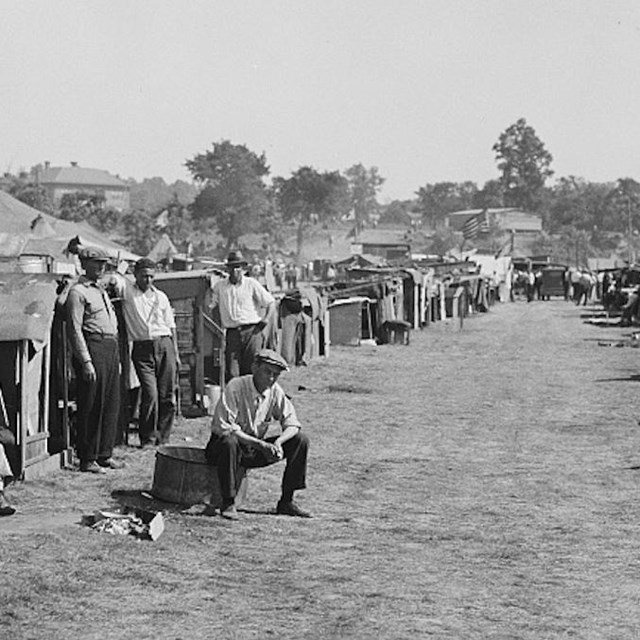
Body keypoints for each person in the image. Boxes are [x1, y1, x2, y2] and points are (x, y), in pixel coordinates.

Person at [205, 349, 310, 520]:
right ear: (254, 368)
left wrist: (279, 443)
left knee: (300, 440)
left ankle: (287, 501)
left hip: (252, 448)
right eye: (267, 372)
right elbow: (225, 427)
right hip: (223, 449)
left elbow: (292, 423)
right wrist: (260, 445)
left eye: (275, 375)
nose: (270, 378)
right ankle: (228, 502)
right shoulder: (236, 387)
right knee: (229, 441)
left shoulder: (275, 391)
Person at [112, 258, 181, 447]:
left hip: (164, 344)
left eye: (151, 276)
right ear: (136, 276)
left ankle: (163, 437)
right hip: (142, 349)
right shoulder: (127, 291)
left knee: (167, 394)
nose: (148, 280)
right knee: (150, 394)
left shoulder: (161, 297)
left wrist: (175, 353)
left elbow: (171, 325)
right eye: (144, 276)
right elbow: (114, 278)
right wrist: (122, 265)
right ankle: (148, 437)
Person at [66, 247, 122, 473]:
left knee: (110, 402)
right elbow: (74, 329)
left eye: (104, 264)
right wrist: (86, 361)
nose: (101, 268)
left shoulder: (100, 290)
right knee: (91, 403)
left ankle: (104, 454)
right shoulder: (77, 292)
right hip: (93, 346)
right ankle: (87, 458)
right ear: (84, 264)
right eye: (97, 263)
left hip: (110, 346)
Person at [210, 250, 276, 380]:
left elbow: (270, 302)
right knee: (232, 372)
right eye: (232, 268)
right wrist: (218, 326)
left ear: (243, 269)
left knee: (252, 370)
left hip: (252, 332)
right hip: (232, 333)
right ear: (227, 270)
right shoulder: (220, 287)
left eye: (238, 268)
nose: (235, 271)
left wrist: (266, 320)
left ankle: (253, 399)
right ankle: (237, 399)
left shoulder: (251, 284)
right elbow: (212, 307)